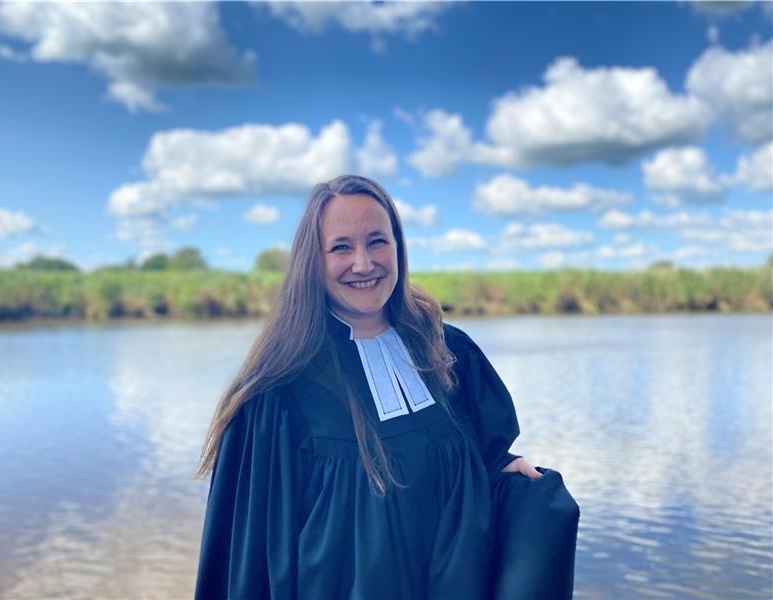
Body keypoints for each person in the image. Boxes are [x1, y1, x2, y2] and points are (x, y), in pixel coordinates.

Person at [194, 175, 579, 599]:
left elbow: (475, 457)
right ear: (313, 261)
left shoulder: (448, 352)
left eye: (377, 241)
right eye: (341, 247)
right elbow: (248, 560)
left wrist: (508, 475)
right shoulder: (276, 396)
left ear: (398, 247)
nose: (363, 263)